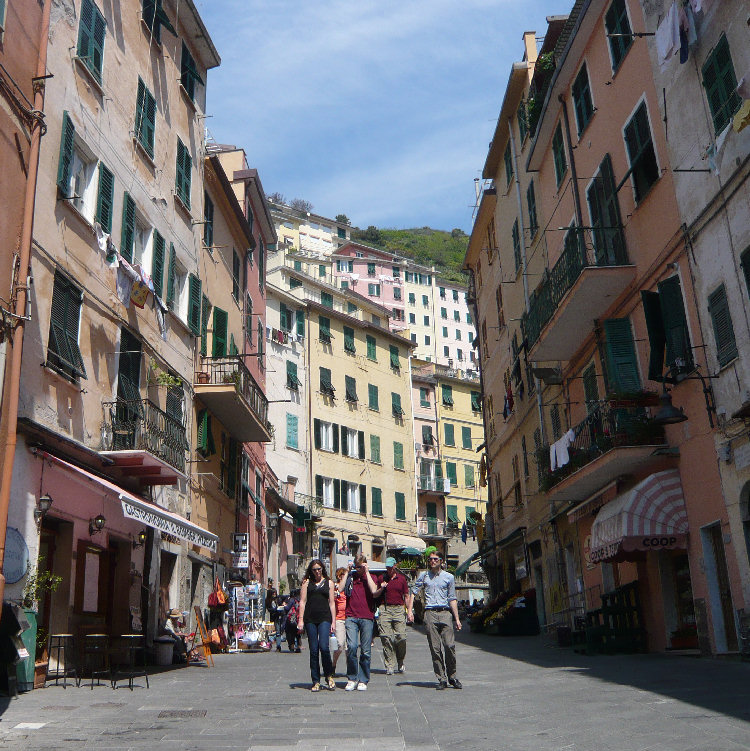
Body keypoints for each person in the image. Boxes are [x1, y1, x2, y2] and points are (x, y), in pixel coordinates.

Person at [407, 550, 462, 690]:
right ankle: (441, 678)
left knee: (449, 646)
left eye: (435, 559)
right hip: (430, 613)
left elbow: (452, 598)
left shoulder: (448, 577)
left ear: (441, 561)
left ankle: (452, 676)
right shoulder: (424, 576)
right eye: (430, 559)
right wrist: (409, 611)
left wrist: (457, 619)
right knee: (435, 648)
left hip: (445, 613)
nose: (432, 561)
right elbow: (413, 592)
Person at [297, 559, 336, 691]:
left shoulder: (329, 583)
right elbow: (302, 602)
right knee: (314, 650)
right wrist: (300, 620)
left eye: (319, 569)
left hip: (325, 617)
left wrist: (334, 621)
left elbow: (332, 603)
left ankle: (329, 675)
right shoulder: (306, 583)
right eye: (314, 570)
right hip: (310, 619)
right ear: (311, 571)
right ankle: (315, 680)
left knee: (324, 647)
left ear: (322, 569)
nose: (317, 572)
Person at [343, 554, 381, 691]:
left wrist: (367, 572)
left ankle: (363, 679)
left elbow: (373, 590)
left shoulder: (371, 577)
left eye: (361, 566)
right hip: (351, 616)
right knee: (352, 647)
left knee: (365, 651)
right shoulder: (351, 577)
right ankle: (352, 677)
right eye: (356, 566)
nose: (358, 569)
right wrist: (347, 571)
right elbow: (340, 588)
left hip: (366, 617)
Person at [378, 557, 409, 675]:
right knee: (386, 637)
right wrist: (382, 587)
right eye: (387, 567)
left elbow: (406, 595)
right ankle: (389, 664)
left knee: (401, 637)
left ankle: (400, 660)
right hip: (385, 608)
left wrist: (409, 611)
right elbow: (375, 594)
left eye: (391, 567)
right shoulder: (381, 578)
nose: (389, 569)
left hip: (398, 608)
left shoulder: (401, 579)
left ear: (395, 566)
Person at [331, 567, 348, 674]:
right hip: (339, 619)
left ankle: (350, 669)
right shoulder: (335, 588)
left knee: (349, 648)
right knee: (340, 645)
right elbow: (330, 601)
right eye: (342, 576)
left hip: (349, 618)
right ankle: (333, 664)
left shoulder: (349, 587)